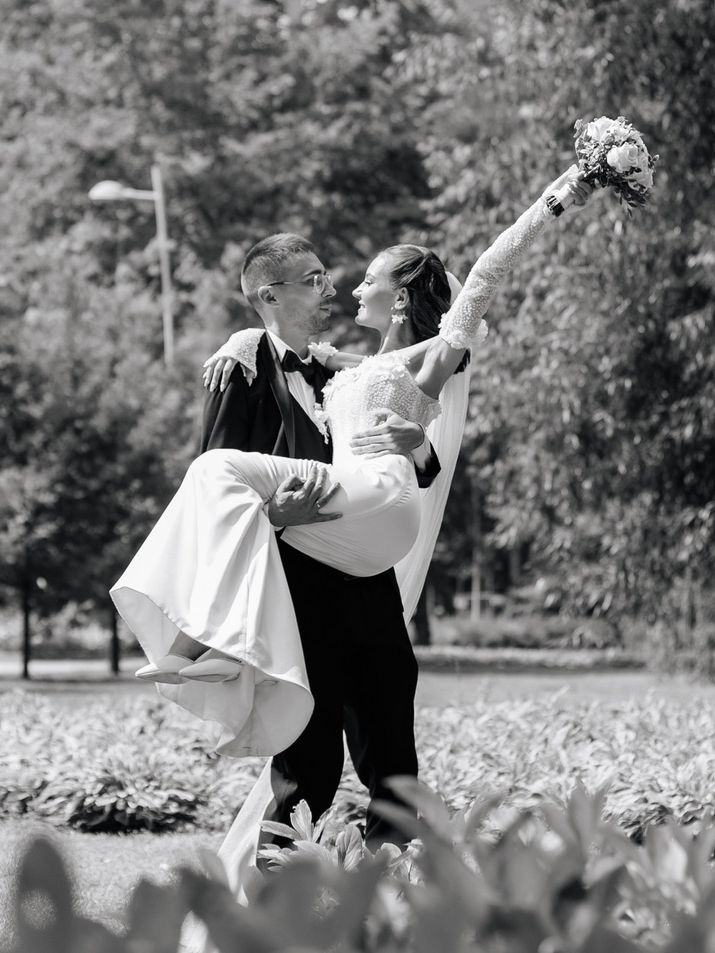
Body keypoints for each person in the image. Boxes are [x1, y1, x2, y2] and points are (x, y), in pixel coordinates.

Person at [109, 161, 598, 878]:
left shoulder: (362, 366)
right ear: (267, 294)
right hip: (304, 570)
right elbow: (226, 464)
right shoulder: (255, 362)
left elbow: (418, 452)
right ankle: (283, 898)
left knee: (390, 746)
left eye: (337, 275)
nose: (333, 286)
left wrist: (415, 442)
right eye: (314, 278)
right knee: (311, 758)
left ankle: (402, 895)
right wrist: (278, 512)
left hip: (364, 559)